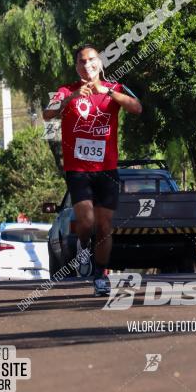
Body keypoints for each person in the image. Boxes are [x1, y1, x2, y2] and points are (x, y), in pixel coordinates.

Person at [43, 44, 142, 296]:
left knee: (105, 225)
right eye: (81, 62)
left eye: (91, 60)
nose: (87, 65)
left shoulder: (114, 88)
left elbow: (136, 107)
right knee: (85, 222)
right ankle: (83, 245)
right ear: (77, 67)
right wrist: (71, 99)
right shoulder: (67, 91)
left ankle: (100, 275)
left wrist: (107, 93)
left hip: (107, 169)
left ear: (100, 62)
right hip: (78, 169)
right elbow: (47, 113)